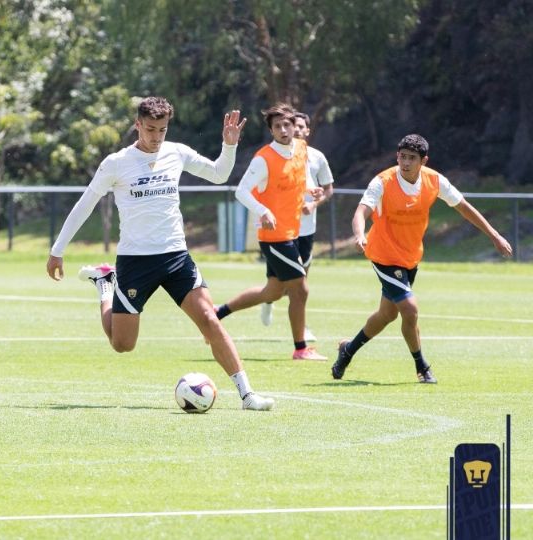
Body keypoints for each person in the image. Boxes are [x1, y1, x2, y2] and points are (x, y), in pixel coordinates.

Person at [46, 96, 274, 411]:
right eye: (150, 129)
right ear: (138, 124)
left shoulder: (176, 152)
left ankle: (247, 395)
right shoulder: (116, 163)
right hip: (135, 262)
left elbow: (219, 174)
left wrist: (229, 146)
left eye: (162, 130)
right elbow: (84, 205)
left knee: (210, 319)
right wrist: (57, 250)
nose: (156, 137)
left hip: (176, 256)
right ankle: (105, 285)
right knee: (122, 345)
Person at [331, 134, 512, 382]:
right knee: (410, 308)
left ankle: (347, 349)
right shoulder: (382, 182)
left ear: (423, 161)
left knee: (387, 315)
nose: (405, 162)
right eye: (402, 157)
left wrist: (494, 235)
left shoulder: (435, 181)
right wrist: (359, 234)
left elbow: (464, 207)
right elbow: (361, 211)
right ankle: (422, 366)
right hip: (383, 255)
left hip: (410, 257)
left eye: (411, 158)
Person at [214, 103, 326, 360]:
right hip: (274, 236)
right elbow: (241, 191)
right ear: (272, 130)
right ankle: (301, 349)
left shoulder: (300, 148)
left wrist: (311, 190)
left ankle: (218, 313)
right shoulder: (264, 158)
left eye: (287, 124)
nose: (284, 130)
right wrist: (263, 211)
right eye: (278, 126)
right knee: (300, 288)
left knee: (273, 292)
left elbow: (299, 177)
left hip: (292, 232)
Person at [258, 111, 335, 342]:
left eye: (301, 126)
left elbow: (328, 188)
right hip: (281, 231)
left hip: (306, 231)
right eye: (294, 125)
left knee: (298, 285)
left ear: (307, 130)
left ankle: (299, 328)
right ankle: (297, 338)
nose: (296, 130)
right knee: (287, 287)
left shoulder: (316, 157)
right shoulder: (275, 156)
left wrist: (314, 204)